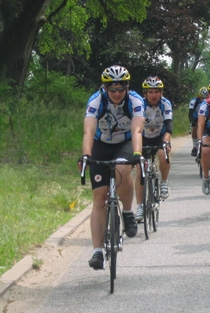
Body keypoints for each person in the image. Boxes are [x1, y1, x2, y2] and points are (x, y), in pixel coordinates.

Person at [78, 65, 145, 270]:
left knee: (122, 168)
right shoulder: (96, 101)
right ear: (105, 88)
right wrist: (86, 155)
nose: (116, 93)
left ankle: (126, 211)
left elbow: (137, 130)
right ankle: (97, 251)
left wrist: (137, 154)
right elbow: (88, 132)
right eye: (112, 89)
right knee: (100, 197)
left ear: (127, 87)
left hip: (124, 143)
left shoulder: (135, 101)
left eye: (120, 89)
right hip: (101, 144)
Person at [134, 76, 172, 221]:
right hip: (142, 137)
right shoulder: (139, 105)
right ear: (145, 93)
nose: (154, 95)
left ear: (161, 93)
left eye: (157, 92)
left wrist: (166, 142)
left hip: (160, 136)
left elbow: (169, 126)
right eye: (150, 92)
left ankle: (164, 182)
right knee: (140, 170)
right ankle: (139, 207)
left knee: (164, 154)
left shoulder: (165, 104)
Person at [189, 87, 208, 157]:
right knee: (195, 128)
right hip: (196, 117)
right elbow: (190, 112)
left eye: (205, 98)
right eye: (202, 98)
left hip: (206, 117)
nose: (203, 100)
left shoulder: (209, 101)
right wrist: (192, 121)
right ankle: (194, 147)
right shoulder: (194, 101)